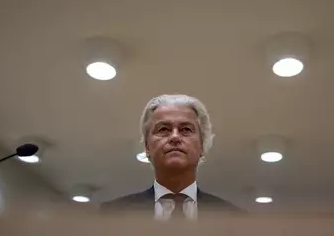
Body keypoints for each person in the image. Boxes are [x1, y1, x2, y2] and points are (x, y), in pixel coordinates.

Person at [100, 94, 244, 219]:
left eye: (186, 129)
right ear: (147, 146)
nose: (175, 137)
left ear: (202, 145)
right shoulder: (110, 215)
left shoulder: (235, 218)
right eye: (163, 129)